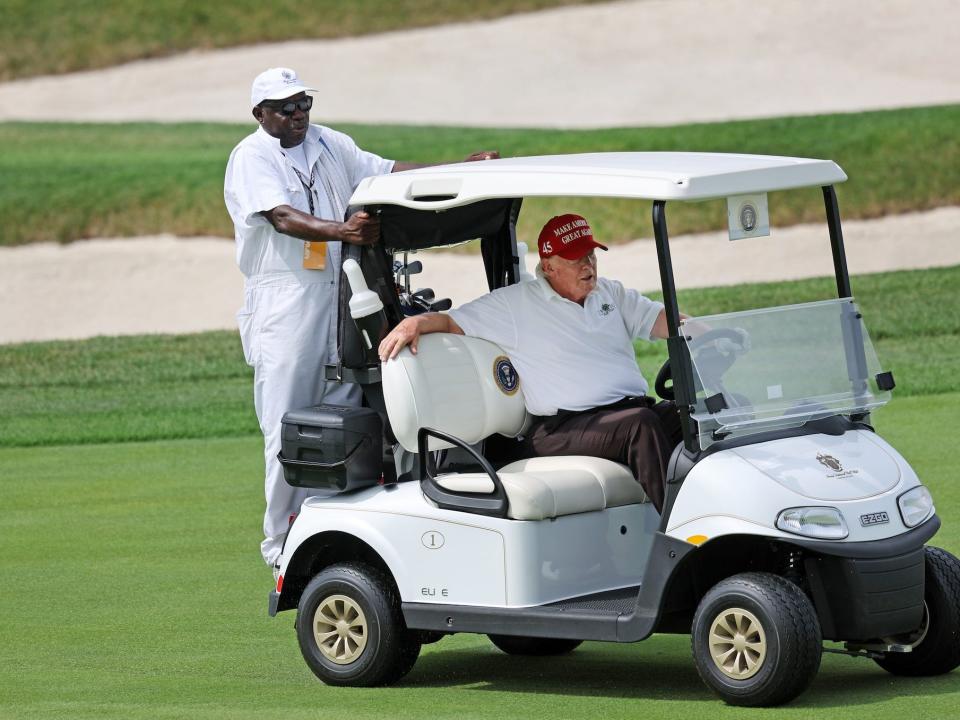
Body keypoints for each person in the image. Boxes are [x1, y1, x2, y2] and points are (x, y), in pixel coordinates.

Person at [224, 67, 498, 570]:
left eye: (303, 102)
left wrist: (462, 166)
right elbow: (281, 217)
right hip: (284, 305)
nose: (298, 113)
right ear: (260, 114)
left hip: (340, 295)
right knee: (288, 420)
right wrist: (343, 231)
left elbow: (388, 170)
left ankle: (332, 522)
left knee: (346, 404)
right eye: (285, 107)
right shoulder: (250, 157)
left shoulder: (330, 143)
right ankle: (279, 542)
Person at [378, 213, 687, 512]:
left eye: (591, 255)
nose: (588, 265)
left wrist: (709, 333)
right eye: (576, 259)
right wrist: (412, 325)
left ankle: (723, 518)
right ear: (549, 267)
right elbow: (450, 322)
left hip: (626, 413)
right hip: (562, 428)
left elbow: (665, 321)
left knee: (697, 414)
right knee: (641, 427)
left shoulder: (610, 292)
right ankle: (684, 536)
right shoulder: (515, 305)